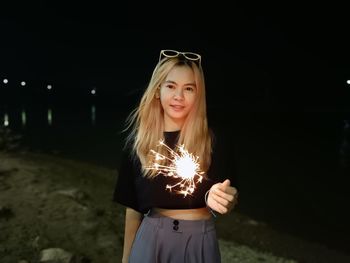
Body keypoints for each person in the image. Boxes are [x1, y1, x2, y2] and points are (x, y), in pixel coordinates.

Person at [113, 49, 239, 263]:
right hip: (151, 240)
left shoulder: (212, 141)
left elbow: (230, 194)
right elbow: (133, 208)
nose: (178, 96)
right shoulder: (139, 143)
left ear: (198, 94)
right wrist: (126, 258)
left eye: (188, 88)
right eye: (171, 86)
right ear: (157, 90)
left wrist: (228, 198)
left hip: (200, 241)